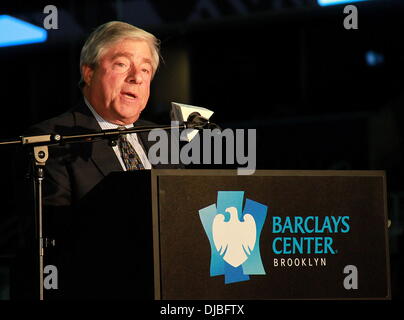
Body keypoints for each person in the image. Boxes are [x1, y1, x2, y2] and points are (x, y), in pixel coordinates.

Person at [12, 21, 181, 300]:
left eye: (146, 70)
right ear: (88, 72)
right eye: (122, 65)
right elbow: (52, 235)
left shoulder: (163, 139)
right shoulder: (51, 139)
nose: (137, 77)